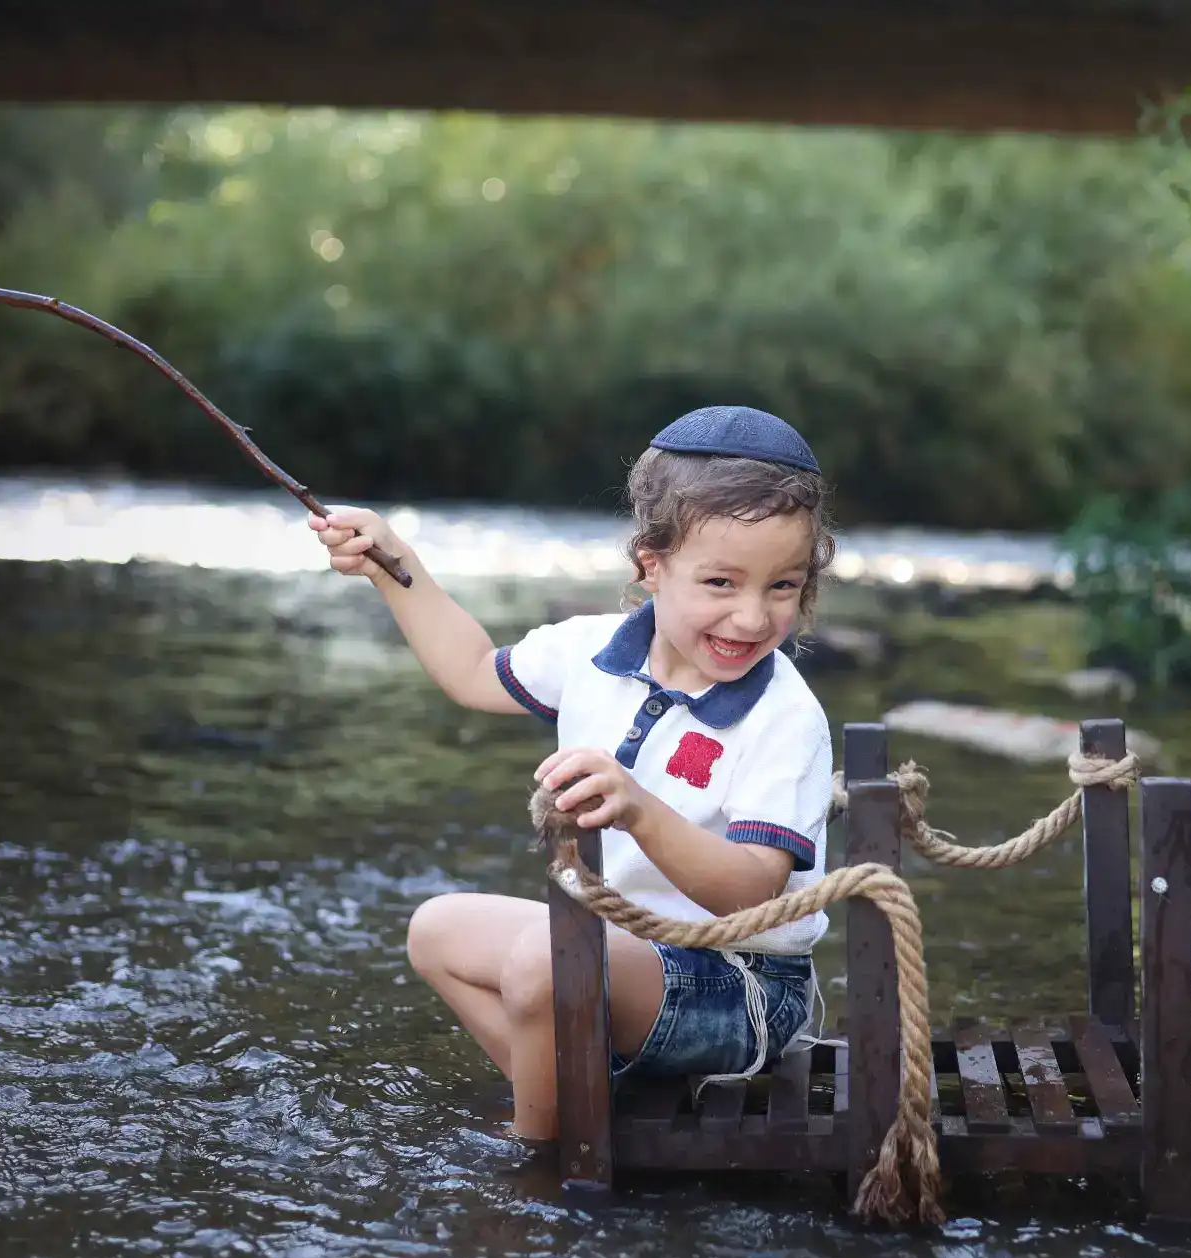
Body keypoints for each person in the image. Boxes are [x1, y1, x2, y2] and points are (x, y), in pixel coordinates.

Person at [309, 405, 837, 1144]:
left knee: (545, 964)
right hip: (627, 961)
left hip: (740, 989)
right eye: (720, 583)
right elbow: (470, 672)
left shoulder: (785, 716)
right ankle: (579, 1098)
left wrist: (639, 810)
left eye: (783, 587)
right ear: (651, 565)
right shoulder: (591, 651)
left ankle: (542, 1155)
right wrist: (391, 565)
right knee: (438, 932)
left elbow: (751, 887)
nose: (751, 618)